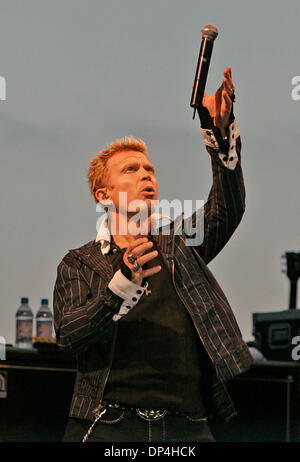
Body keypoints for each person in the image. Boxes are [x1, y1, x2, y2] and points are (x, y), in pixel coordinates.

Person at [53, 66, 253, 443]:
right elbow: (68, 334)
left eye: (150, 169)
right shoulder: (78, 263)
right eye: (131, 169)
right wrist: (119, 286)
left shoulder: (179, 245)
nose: (146, 174)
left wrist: (219, 135)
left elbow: (226, 209)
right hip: (107, 425)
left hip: (187, 424)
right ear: (104, 195)